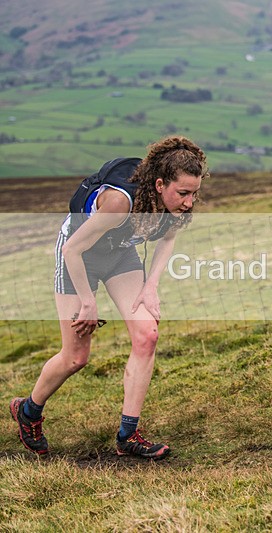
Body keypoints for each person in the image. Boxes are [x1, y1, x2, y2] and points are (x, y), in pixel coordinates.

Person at [9, 136, 209, 459]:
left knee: (147, 335)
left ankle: (127, 435)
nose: (188, 202)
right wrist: (88, 302)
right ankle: (28, 411)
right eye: (183, 193)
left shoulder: (176, 206)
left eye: (194, 193)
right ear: (159, 184)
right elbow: (72, 248)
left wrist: (151, 286)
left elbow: (167, 239)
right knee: (76, 357)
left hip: (120, 254)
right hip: (79, 256)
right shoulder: (120, 203)